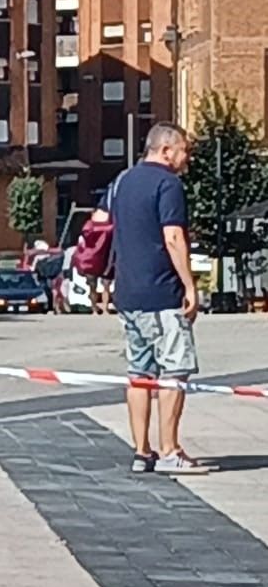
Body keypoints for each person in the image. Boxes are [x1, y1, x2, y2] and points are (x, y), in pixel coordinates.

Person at [107, 123, 204, 475]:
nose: (186, 159)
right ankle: (169, 450)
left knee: (139, 374)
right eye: (184, 151)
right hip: (161, 292)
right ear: (166, 150)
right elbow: (174, 237)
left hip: (128, 292)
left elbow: (104, 224)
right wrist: (190, 286)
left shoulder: (122, 182)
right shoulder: (168, 184)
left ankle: (140, 451)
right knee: (174, 371)